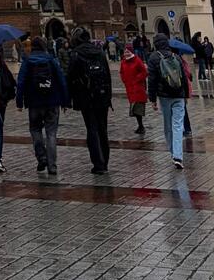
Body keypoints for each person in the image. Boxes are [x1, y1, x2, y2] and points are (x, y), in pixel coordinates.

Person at [16, 36, 69, 176]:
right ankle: (52, 166)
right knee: (51, 133)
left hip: (34, 102)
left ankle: (42, 157)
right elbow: (62, 81)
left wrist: (19, 102)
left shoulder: (28, 61)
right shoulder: (51, 60)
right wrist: (65, 101)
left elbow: (20, 82)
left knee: (35, 130)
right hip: (52, 101)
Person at [66, 28, 113, 175]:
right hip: (102, 95)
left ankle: (98, 164)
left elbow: (70, 77)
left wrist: (69, 98)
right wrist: (108, 96)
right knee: (102, 128)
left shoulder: (76, 54)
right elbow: (107, 75)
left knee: (92, 129)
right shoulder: (99, 51)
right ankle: (105, 161)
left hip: (86, 97)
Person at [146, 31, 190, 169]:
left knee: (168, 125)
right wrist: (186, 95)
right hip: (179, 95)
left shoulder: (153, 58)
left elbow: (152, 80)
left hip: (164, 96)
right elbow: (184, 77)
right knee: (178, 125)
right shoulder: (175, 56)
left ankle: (173, 153)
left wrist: (152, 99)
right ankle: (178, 155)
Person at [120, 42, 149, 134]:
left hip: (138, 88)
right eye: (125, 52)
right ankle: (140, 126)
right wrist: (124, 80)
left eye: (128, 51)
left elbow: (144, 72)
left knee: (137, 108)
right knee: (134, 108)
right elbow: (121, 72)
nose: (126, 53)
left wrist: (137, 79)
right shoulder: (123, 61)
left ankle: (141, 126)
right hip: (129, 88)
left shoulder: (137, 60)